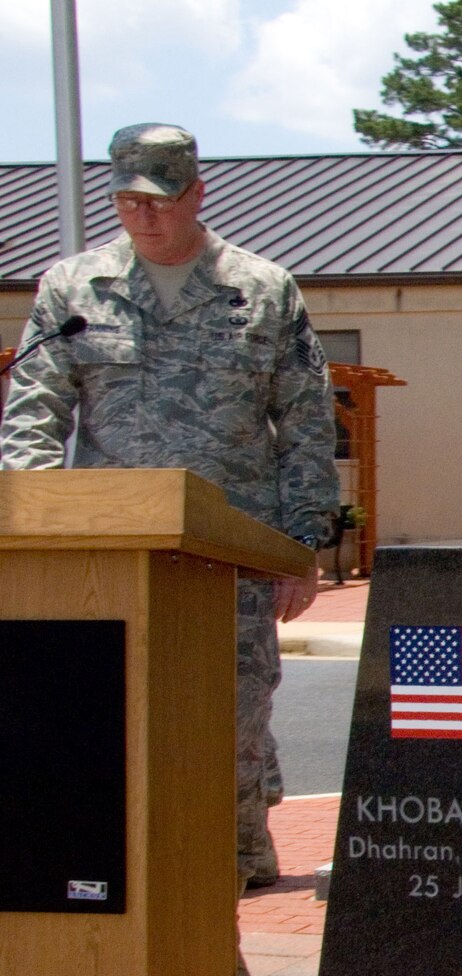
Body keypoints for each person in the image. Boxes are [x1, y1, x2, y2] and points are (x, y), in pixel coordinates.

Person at [0, 125, 336, 927]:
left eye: (156, 201)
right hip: (107, 560)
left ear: (195, 196)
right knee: (107, 731)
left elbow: (307, 420)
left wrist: (301, 547)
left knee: (233, 724)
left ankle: (223, 900)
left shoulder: (260, 289)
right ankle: (141, 911)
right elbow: (33, 412)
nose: (141, 217)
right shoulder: (73, 289)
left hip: (234, 555)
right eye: (125, 201)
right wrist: (41, 522)